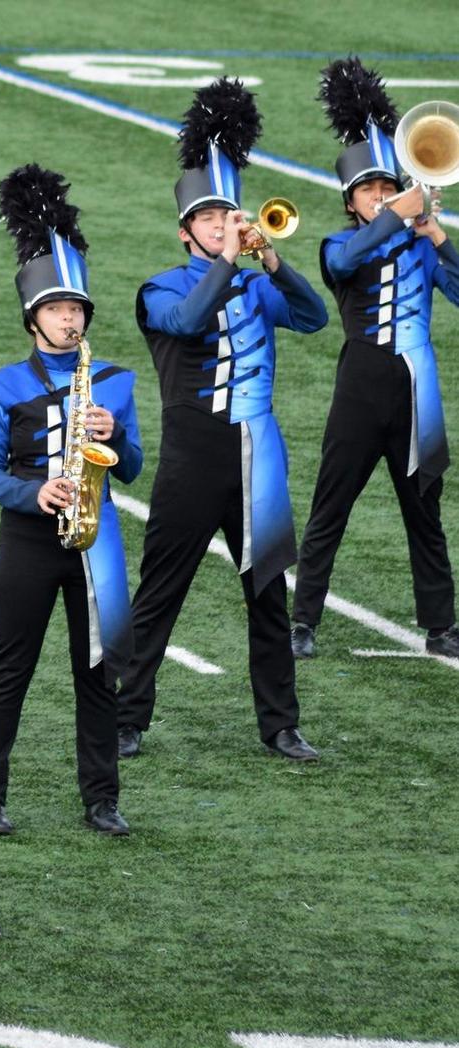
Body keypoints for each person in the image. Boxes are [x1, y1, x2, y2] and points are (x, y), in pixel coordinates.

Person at [116, 78, 329, 761]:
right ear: (186, 232)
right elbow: (183, 322)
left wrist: (271, 257)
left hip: (257, 455)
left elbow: (314, 317)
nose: (221, 225)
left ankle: (280, 723)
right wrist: (232, 264)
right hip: (193, 455)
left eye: (226, 215)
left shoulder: (256, 281)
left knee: (268, 594)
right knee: (162, 593)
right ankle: (127, 718)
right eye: (209, 219)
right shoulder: (161, 287)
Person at [0, 165, 143, 836]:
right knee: (10, 667)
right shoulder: (2, 386)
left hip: (96, 539)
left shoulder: (113, 382)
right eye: (57, 309)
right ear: (33, 317)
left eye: (77, 310)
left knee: (99, 671)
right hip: (28, 542)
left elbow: (131, 468)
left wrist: (114, 431)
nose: (70, 318)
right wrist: (33, 490)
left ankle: (102, 796)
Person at [293, 58, 459, 660]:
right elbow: (343, 265)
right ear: (352, 201)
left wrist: (438, 235)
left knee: (424, 512)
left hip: (417, 388)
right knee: (331, 505)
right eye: (372, 191)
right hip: (361, 385)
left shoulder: (421, 244)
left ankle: (441, 625)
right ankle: (303, 619)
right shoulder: (341, 243)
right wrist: (397, 215)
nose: (383, 197)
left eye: (389, 187)